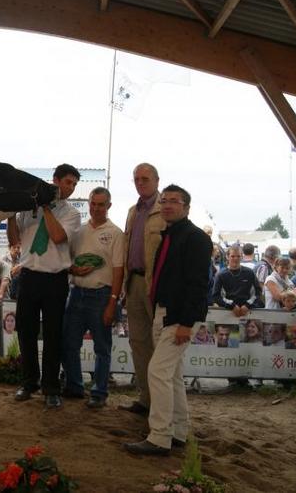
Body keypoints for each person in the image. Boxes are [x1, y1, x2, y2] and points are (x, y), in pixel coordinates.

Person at [123, 184, 212, 456]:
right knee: (171, 375)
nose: (168, 205)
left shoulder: (195, 238)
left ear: (186, 206)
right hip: (163, 311)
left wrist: (186, 323)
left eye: (174, 201)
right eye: (164, 201)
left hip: (179, 315)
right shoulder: (169, 235)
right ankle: (178, 431)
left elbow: (199, 285)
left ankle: (159, 436)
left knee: (157, 371)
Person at [7, 163, 81, 409]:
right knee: (25, 332)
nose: (70, 187)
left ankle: (51, 387)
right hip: (28, 275)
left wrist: (46, 206)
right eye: (68, 182)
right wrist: (11, 213)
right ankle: (29, 383)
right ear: (55, 180)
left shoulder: (71, 213)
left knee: (52, 335)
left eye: (74, 184)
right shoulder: (29, 208)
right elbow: (15, 239)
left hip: (55, 279)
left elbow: (58, 237)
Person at [61, 187, 124, 409]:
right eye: (93, 204)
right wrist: (72, 270)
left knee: (102, 348)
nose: (96, 208)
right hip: (76, 293)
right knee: (69, 344)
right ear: (89, 204)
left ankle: (99, 391)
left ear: (109, 206)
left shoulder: (116, 233)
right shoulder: (78, 231)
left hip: (101, 295)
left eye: (101, 204)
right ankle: (75, 386)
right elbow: (66, 260)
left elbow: (119, 270)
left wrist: (112, 301)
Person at [119, 162, 165, 416]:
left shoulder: (165, 210)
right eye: (136, 179)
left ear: (157, 181)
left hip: (156, 286)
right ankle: (146, 399)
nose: (140, 183)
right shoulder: (131, 212)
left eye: (145, 179)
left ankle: (161, 403)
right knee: (139, 343)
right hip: (133, 283)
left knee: (160, 345)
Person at [211, 244, 264, 314]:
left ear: (242, 257)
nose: (235, 259)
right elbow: (216, 296)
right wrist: (232, 306)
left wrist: (247, 305)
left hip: (247, 312)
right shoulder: (221, 275)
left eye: (238, 256)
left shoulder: (249, 272)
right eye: (232, 256)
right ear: (227, 257)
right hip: (227, 312)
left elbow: (258, 292)